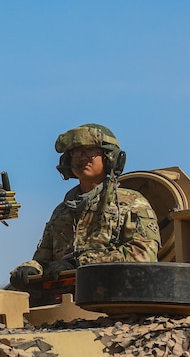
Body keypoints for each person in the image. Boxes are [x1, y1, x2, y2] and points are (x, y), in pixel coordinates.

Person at [10, 123, 160, 289]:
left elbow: (144, 254)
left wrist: (80, 263)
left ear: (110, 158)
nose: (81, 157)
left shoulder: (131, 203)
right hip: (66, 301)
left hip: (115, 296)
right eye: (76, 153)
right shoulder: (62, 211)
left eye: (90, 151)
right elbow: (44, 260)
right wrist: (30, 268)